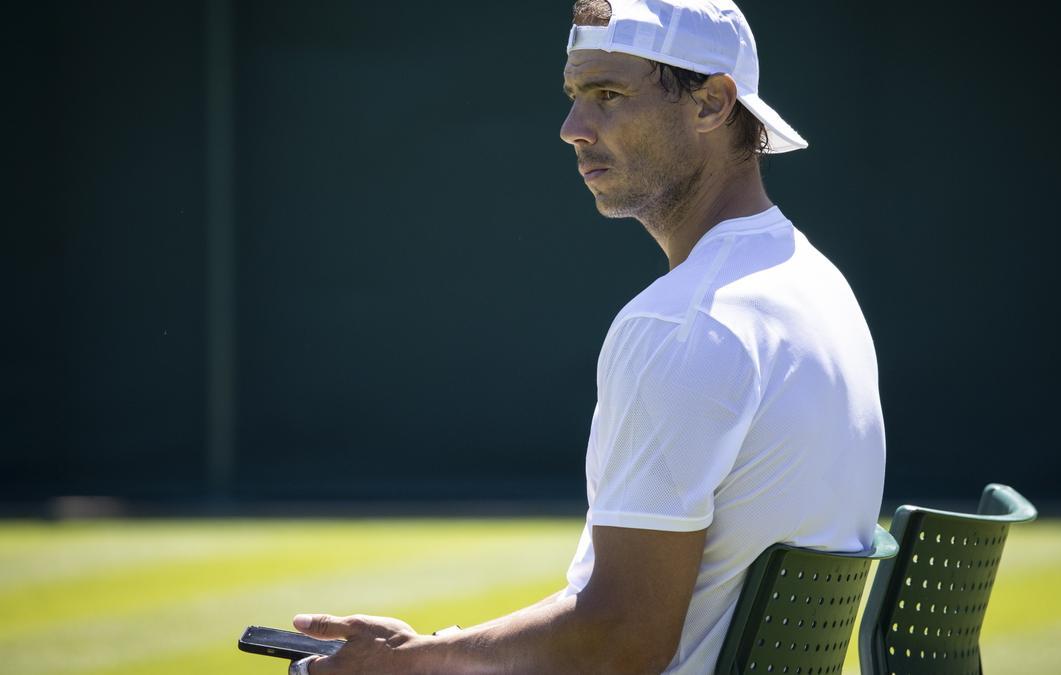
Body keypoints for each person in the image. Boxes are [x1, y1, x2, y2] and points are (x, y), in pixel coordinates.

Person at [288, 1, 885, 673]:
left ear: (714, 104)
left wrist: (419, 661)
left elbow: (622, 638)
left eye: (609, 95)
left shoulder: (682, 324)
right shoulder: (818, 285)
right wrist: (429, 652)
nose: (573, 128)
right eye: (575, 96)